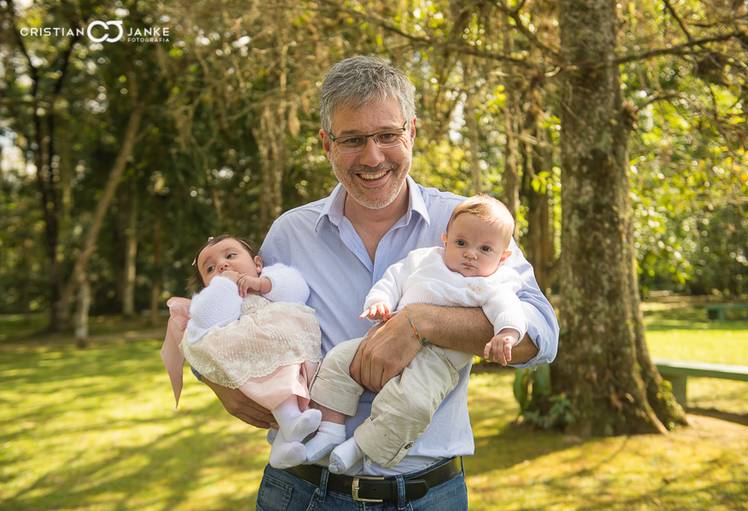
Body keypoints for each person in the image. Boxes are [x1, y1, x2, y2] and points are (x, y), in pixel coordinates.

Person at [200, 55, 559, 510]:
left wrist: (421, 323)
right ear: (326, 143)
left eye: (388, 135)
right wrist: (220, 385)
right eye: (353, 139)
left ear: (413, 132)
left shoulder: (470, 225)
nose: (372, 157)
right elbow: (218, 317)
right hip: (303, 492)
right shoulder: (290, 234)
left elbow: (541, 338)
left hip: (429, 496)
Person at [304, 195, 529, 474]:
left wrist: (507, 333)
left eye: (485, 249)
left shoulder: (492, 284)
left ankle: (360, 446)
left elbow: (509, 309)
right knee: (338, 359)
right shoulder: (424, 260)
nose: (471, 254)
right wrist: (379, 301)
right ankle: (330, 427)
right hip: (386, 335)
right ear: (445, 239)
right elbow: (393, 279)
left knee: (413, 404)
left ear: (503, 257)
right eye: (461, 243)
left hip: (437, 361)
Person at [160, 235, 323, 469]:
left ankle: (282, 446)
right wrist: (226, 285)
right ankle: (290, 420)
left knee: (297, 375)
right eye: (210, 269)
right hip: (252, 351)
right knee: (277, 377)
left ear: (257, 263)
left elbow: (297, 288)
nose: (222, 265)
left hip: (292, 346)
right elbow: (209, 316)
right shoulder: (216, 299)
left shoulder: (271, 276)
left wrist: (261, 284)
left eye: (230, 255)